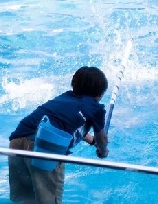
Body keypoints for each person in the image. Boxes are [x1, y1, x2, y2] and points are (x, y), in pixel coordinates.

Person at [8, 66, 110, 204]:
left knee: (26, 200)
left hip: (18, 140)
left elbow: (60, 124)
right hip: (45, 146)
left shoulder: (65, 98)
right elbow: (102, 139)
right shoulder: (96, 109)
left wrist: (91, 141)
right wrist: (103, 151)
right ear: (99, 94)